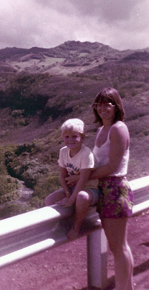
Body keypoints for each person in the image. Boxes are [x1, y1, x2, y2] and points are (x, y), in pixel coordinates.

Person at [90, 87, 134, 290]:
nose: (102, 108)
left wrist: (82, 177)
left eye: (107, 103)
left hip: (115, 189)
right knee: (118, 248)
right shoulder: (102, 129)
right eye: (99, 104)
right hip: (105, 189)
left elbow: (112, 167)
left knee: (118, 248)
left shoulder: (118, 128)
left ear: (116, 106)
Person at [45, 118, 99, 239]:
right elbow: (62, 175)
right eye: (67, 137)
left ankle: (76, 226)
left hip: (89, 188)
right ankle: (62, 224)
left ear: (82, 137)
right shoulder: (63, 152)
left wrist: (71, 199)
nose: (70, 140)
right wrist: (68, 194)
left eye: (74, 136)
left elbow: (83, 180)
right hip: (72, 188)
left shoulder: (86, 154)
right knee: (49, 200)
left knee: (81, 197)